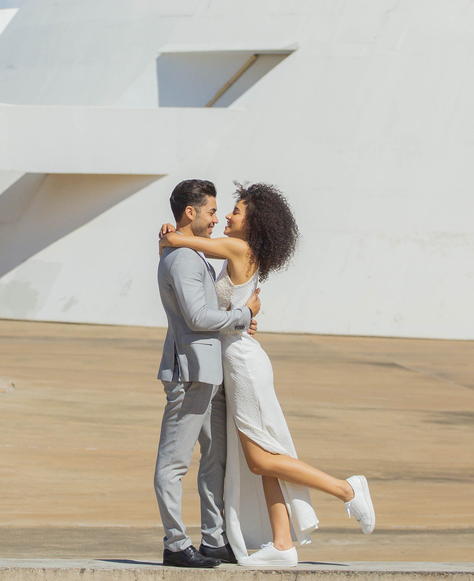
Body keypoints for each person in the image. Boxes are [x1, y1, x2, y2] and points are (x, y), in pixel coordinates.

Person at [158, 182, 375, 567]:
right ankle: (281, 542)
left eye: (235, 211)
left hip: (241, 363)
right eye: (219, 210)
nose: (225, 216)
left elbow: (185, 244)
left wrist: (169, 236)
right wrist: (243, 318)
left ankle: (345, 489)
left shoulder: (237, 248)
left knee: (261, 457)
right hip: (233, 358)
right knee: (260, 454)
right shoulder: (236, 252)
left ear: (252, 223)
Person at [153, 179, 261, 568]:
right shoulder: (181, 258)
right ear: (190, 213)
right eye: (212, 211)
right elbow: (197, 316)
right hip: (189, 373)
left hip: (208, 373)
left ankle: (214, 539)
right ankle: (175, 543)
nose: (217, 218)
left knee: (215, 457)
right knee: (174, 462)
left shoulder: (188, 250)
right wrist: (242, 315)